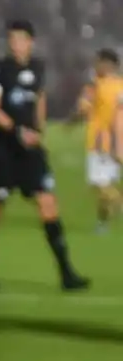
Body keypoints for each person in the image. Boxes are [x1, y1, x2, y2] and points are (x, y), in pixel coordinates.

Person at [0, 21, 89, 290]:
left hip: (30, 152)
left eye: (20, 39)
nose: (15, 44)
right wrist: (18, 131)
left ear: (30, 42)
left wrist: (39, 130)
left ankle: (66, 274)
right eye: (11, 40)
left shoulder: (38, 68)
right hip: (4, 151)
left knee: (48, 204)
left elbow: (39, 99)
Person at [72, 48, 123, 232]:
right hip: (118, 144)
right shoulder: (121, 85)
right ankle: (103, 223)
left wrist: (71, 121)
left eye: (98, 62)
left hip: (100, 142)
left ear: (107, 65)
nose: (95, 66)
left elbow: (82, 110)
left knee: (98, 183)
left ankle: (118, 206)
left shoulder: (95, 85)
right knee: (107, 184)